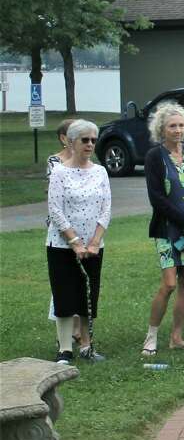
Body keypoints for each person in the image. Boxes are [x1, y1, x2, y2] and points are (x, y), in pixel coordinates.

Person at [142, 101, 184, 356]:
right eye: (172, 126)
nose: (178, 130)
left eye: (181, 125)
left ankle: (177, 335)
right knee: (169, 284)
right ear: (162, 129)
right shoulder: (154, 157)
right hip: (166, 229)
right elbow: (157, 198)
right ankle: (151, 335)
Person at [46, 119, 109, 364]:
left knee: (88, 296)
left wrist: (94, 242)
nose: (90, 144)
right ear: (71, 142)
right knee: (64, 294)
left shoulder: (101, 172)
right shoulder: (59, 172)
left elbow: (106, 209)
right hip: (61, 246)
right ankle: (65, 349)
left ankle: (86, 345)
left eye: (93, 140)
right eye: (85, 140)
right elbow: (55, 209)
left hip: (93, 247)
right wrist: (74, 242)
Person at [45, 117, 80, 343]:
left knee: (81, 278)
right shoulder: (54, 162)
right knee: (62, 279)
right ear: (63, 138)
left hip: (84, 226)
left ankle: (78, 329)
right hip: (60, 228)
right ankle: (64, 332)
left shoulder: (86, 159)